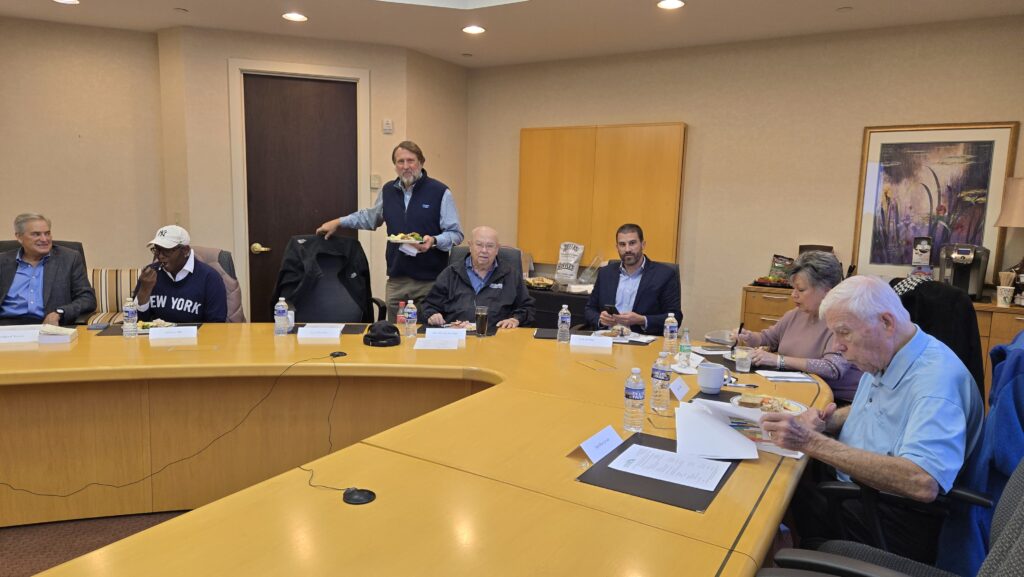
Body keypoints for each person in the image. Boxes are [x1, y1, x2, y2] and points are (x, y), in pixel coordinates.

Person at [760, 275, 983, 564]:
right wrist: (828, 422)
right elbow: (876, 407)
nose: (837, 345)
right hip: (854, 489)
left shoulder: (936, 383)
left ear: (886, 322)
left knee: (767, 499)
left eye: (844, 333)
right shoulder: (891, 353)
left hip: (887, 515)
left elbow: (922, 480)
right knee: (770, 472)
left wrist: (811, 442)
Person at [316, 141, 464, 322]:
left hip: (431, 281)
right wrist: (339, 222)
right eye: (400, 162)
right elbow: (371, 217)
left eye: (411, 161)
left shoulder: (440, 192)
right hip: (397, 280)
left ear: (421, 162)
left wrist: (433, 240)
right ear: (395, 166)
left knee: (426, 333)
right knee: (396, 333)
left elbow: (456, 234)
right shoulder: (388, 191)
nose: (406, 166)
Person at [734, 251, 862, 402]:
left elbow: (832, 368)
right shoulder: (795, 314)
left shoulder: (843, 322)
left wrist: (779, 360)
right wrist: (749, 336)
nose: (793, 295)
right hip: (792, 392)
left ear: (827, 292)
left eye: (800, 290)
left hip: (830, 401)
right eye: (793, 288)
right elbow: (767, 338)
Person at [422, 226, 534, 329]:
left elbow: (527, 307)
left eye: (490, 246)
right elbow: (429, 305)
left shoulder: (510, 275)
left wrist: (515, 319)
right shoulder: (451, 273)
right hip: (457, 335)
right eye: (479, 245)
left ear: (497, 249)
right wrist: (432, 314)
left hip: (496, 337)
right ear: (470, 246)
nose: (484, 250)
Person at [584, 223, 681, 335]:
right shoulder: (605, 273)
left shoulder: (664, 275)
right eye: (622, 244)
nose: (627, 249)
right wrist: (600, 319)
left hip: (643, 341)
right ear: (617, 247)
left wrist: (642, 320)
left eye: (632, 243)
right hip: (608, 339)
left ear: (643, 245)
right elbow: (589, 309)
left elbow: (676, 317)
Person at [0, 213, 96, 325]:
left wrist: (60, 313)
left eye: (47, 233)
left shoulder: (69, 259)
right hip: (5, 326)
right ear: (19, 237)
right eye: (36, 234)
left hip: (49, 325)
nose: (44, 239)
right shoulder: (3, 261)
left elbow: (87, 299)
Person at [134, 225, 227, 323]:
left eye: (166, 250)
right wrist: (144, 290)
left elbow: (216, 325)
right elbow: (137, 322)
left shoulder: (210, 278)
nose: (160, 256)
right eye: (157, 250)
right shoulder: (149, 276)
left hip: (198, 333)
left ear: (185, 250)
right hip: (155, 333)